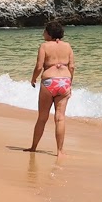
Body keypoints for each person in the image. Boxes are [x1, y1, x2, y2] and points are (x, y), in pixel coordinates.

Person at [27, 19, 75, 158]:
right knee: (60, 118)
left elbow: (39, 66)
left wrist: (33, 78)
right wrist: (69, 82)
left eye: (44, 31)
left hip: (49, 82)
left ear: (49, 33)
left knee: (42, 117)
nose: (43, 34)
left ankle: (33, 147)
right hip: (64, 82)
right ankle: (60, 151)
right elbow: (71, 66)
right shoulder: (68, 46)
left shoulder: (44, 46)